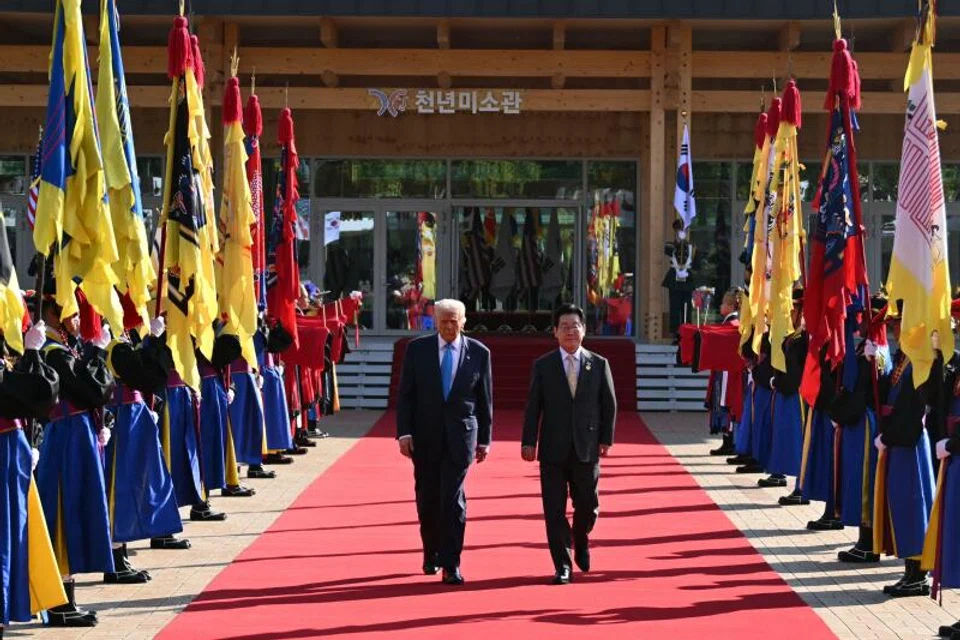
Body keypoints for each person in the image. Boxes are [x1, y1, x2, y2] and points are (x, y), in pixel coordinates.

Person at [396, 298, 492, 586]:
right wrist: (405, 433)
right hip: (424, 437)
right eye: (444, 321)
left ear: (464, 322)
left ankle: (452, 563)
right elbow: (406, 396)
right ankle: (431, 552)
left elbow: (485, 401)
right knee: (428, 499)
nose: (450, 326)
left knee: (453, 500)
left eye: (455, 321)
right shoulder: (417, 350)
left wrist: (485, 439)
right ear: (434, 321)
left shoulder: (479, 352)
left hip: (461, 437)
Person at [522, 303, 617, 584]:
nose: (570, 332)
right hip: (553, 447)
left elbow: (609, 404)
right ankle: (562, 564)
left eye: (575, 326)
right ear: (555, 332)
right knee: (554, 509)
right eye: (564, 327)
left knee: (587, 505)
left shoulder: (599, 364)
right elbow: (533, 407)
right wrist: (529, 441)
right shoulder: (543, 365)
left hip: (587, 446)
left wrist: (606, 439)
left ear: (584, 330)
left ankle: (581, 536)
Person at [873, 301, 938, 598]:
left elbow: (912, 412)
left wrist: (890, 437)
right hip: (898, 441)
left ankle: (918, 574)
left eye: (897, 324)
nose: (893, 329)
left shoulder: (918, 362)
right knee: (901, 507)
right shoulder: (902, 358)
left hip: (908, 443)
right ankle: (909, 572)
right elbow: (887, 392)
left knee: (913, 508)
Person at [708, 289, 740, 456]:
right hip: (726, 371)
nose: (720, 306)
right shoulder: (732, 323)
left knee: (725, 404)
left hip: (727, 373)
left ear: (729, 306)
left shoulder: (731, 325)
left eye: (722, 303)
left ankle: (729, 441)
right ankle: (728, 441)